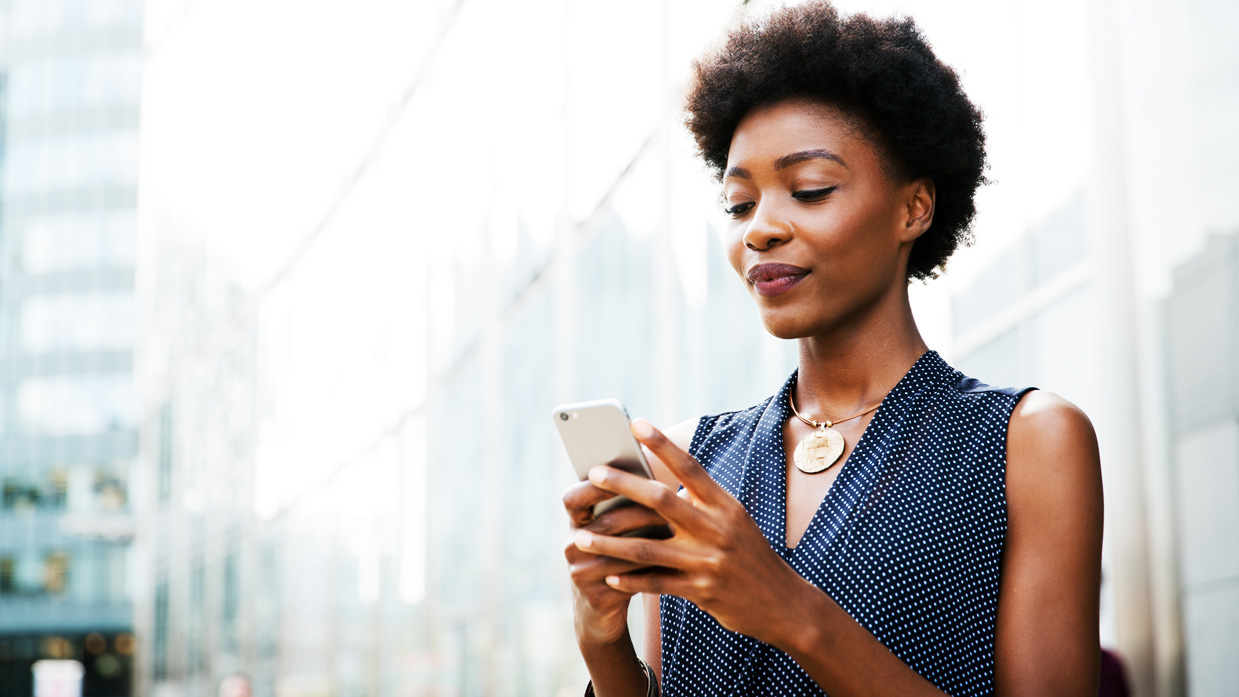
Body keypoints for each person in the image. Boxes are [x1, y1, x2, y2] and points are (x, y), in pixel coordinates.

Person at [562, 3, 1104, 696]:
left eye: (809, 189)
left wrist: (791, 612)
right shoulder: (685, 462)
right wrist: (601, 644)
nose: (759, 229)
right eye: (737, 204)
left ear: (913, 208)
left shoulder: (1023, 443)